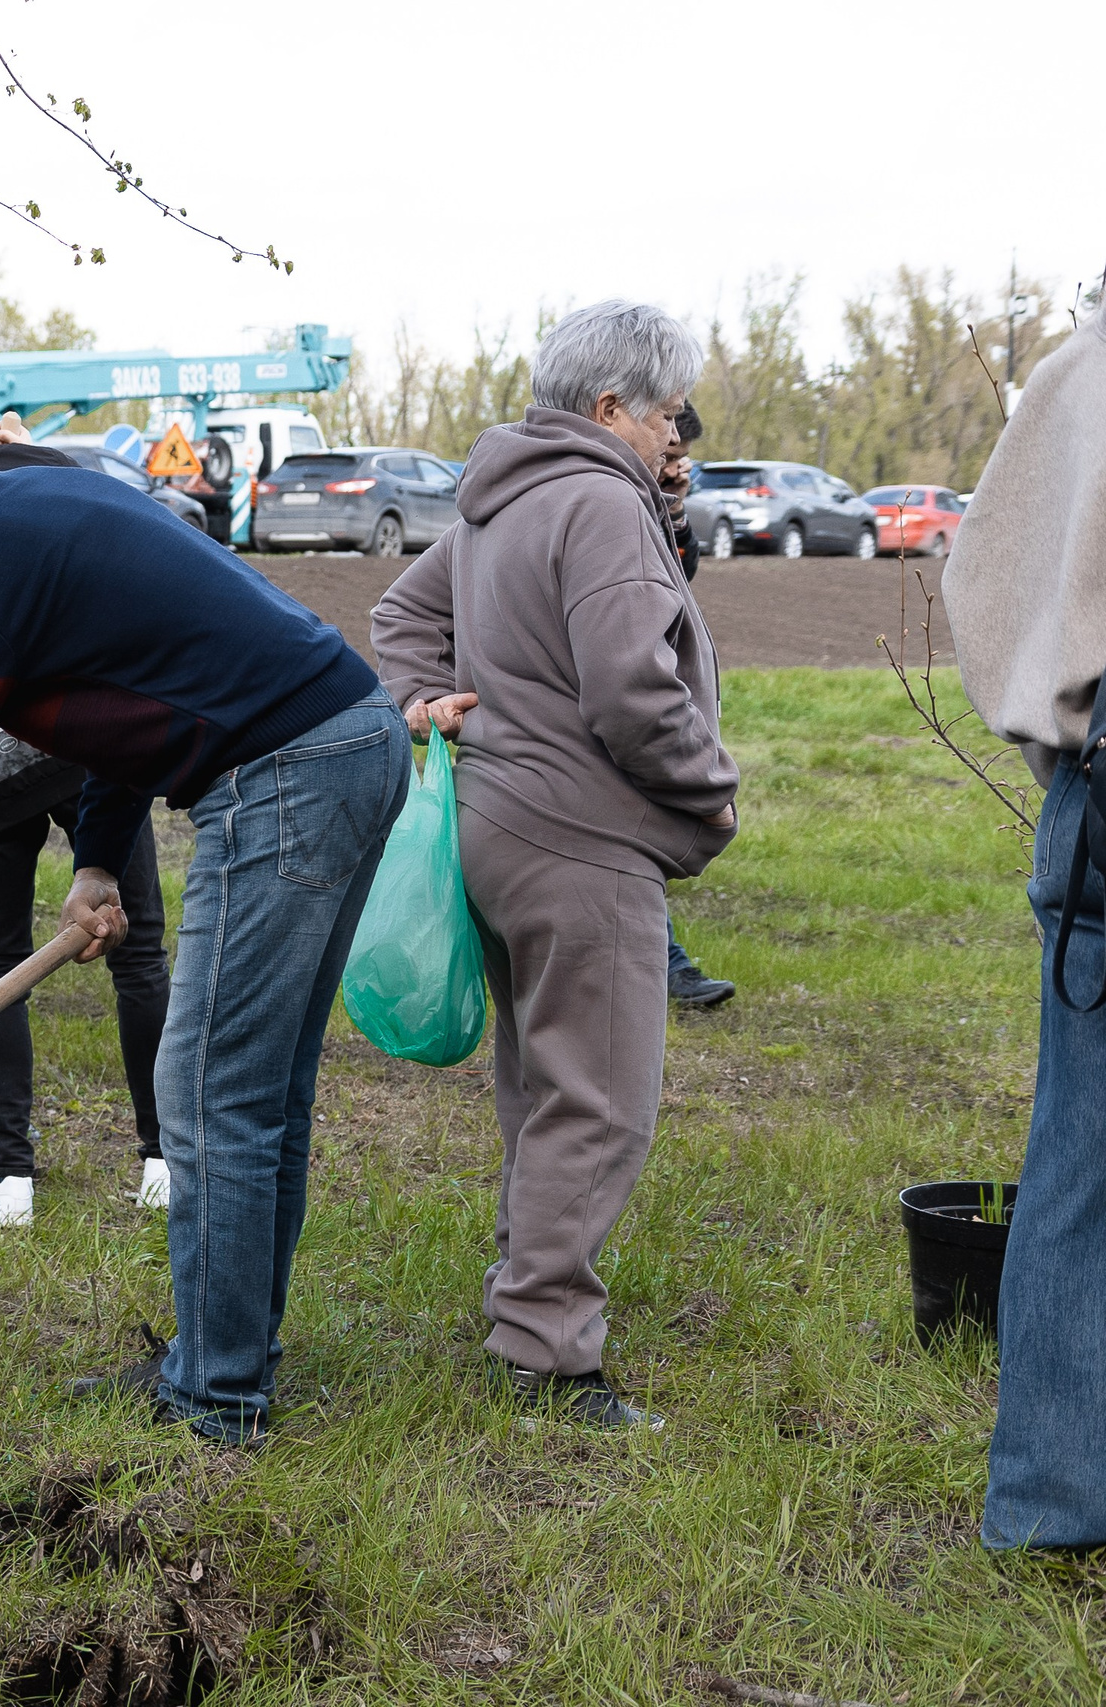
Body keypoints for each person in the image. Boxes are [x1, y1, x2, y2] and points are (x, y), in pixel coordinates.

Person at [0, 393, 403, 1448]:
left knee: (213, 1094)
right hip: (347, 737)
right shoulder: (6, 506)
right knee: (256, 1094)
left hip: (289, 768)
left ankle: (218, 1397)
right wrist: (100, 857)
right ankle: (225, 1361)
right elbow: (131, 682)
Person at [374, 301, 737, 1429]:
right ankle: (544, 1353)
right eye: (666, 414)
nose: (673, 438)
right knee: (599, 1104)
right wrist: (709, 787)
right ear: (610, 406)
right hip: (581, 842)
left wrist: (424, 703)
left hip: (493, 825)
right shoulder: (599, 502)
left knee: (543, 1086)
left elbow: (398, 615)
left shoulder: (503, 499)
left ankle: (523, 1299)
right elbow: (632, 690)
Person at [0, 367, 174, 1222]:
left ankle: (11, 1175)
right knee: (138, 951)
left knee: (2, 963)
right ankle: (164, 1157)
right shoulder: (55, 471)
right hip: (89, 745)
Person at [943, 306, 1106, 1551]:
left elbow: (981, 577)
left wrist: (1056, 740)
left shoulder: (1071, 375)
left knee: (1076, 1163)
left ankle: (1050, 1503)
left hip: (1089, 795)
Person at [658, 403, 735, 1010]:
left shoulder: (653, 498)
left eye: (683, 459)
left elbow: (681, 574)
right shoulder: (605, 498)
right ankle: (668, 965)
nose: (675, 465)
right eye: (669, 454)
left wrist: (676, 509)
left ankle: (665, 962)